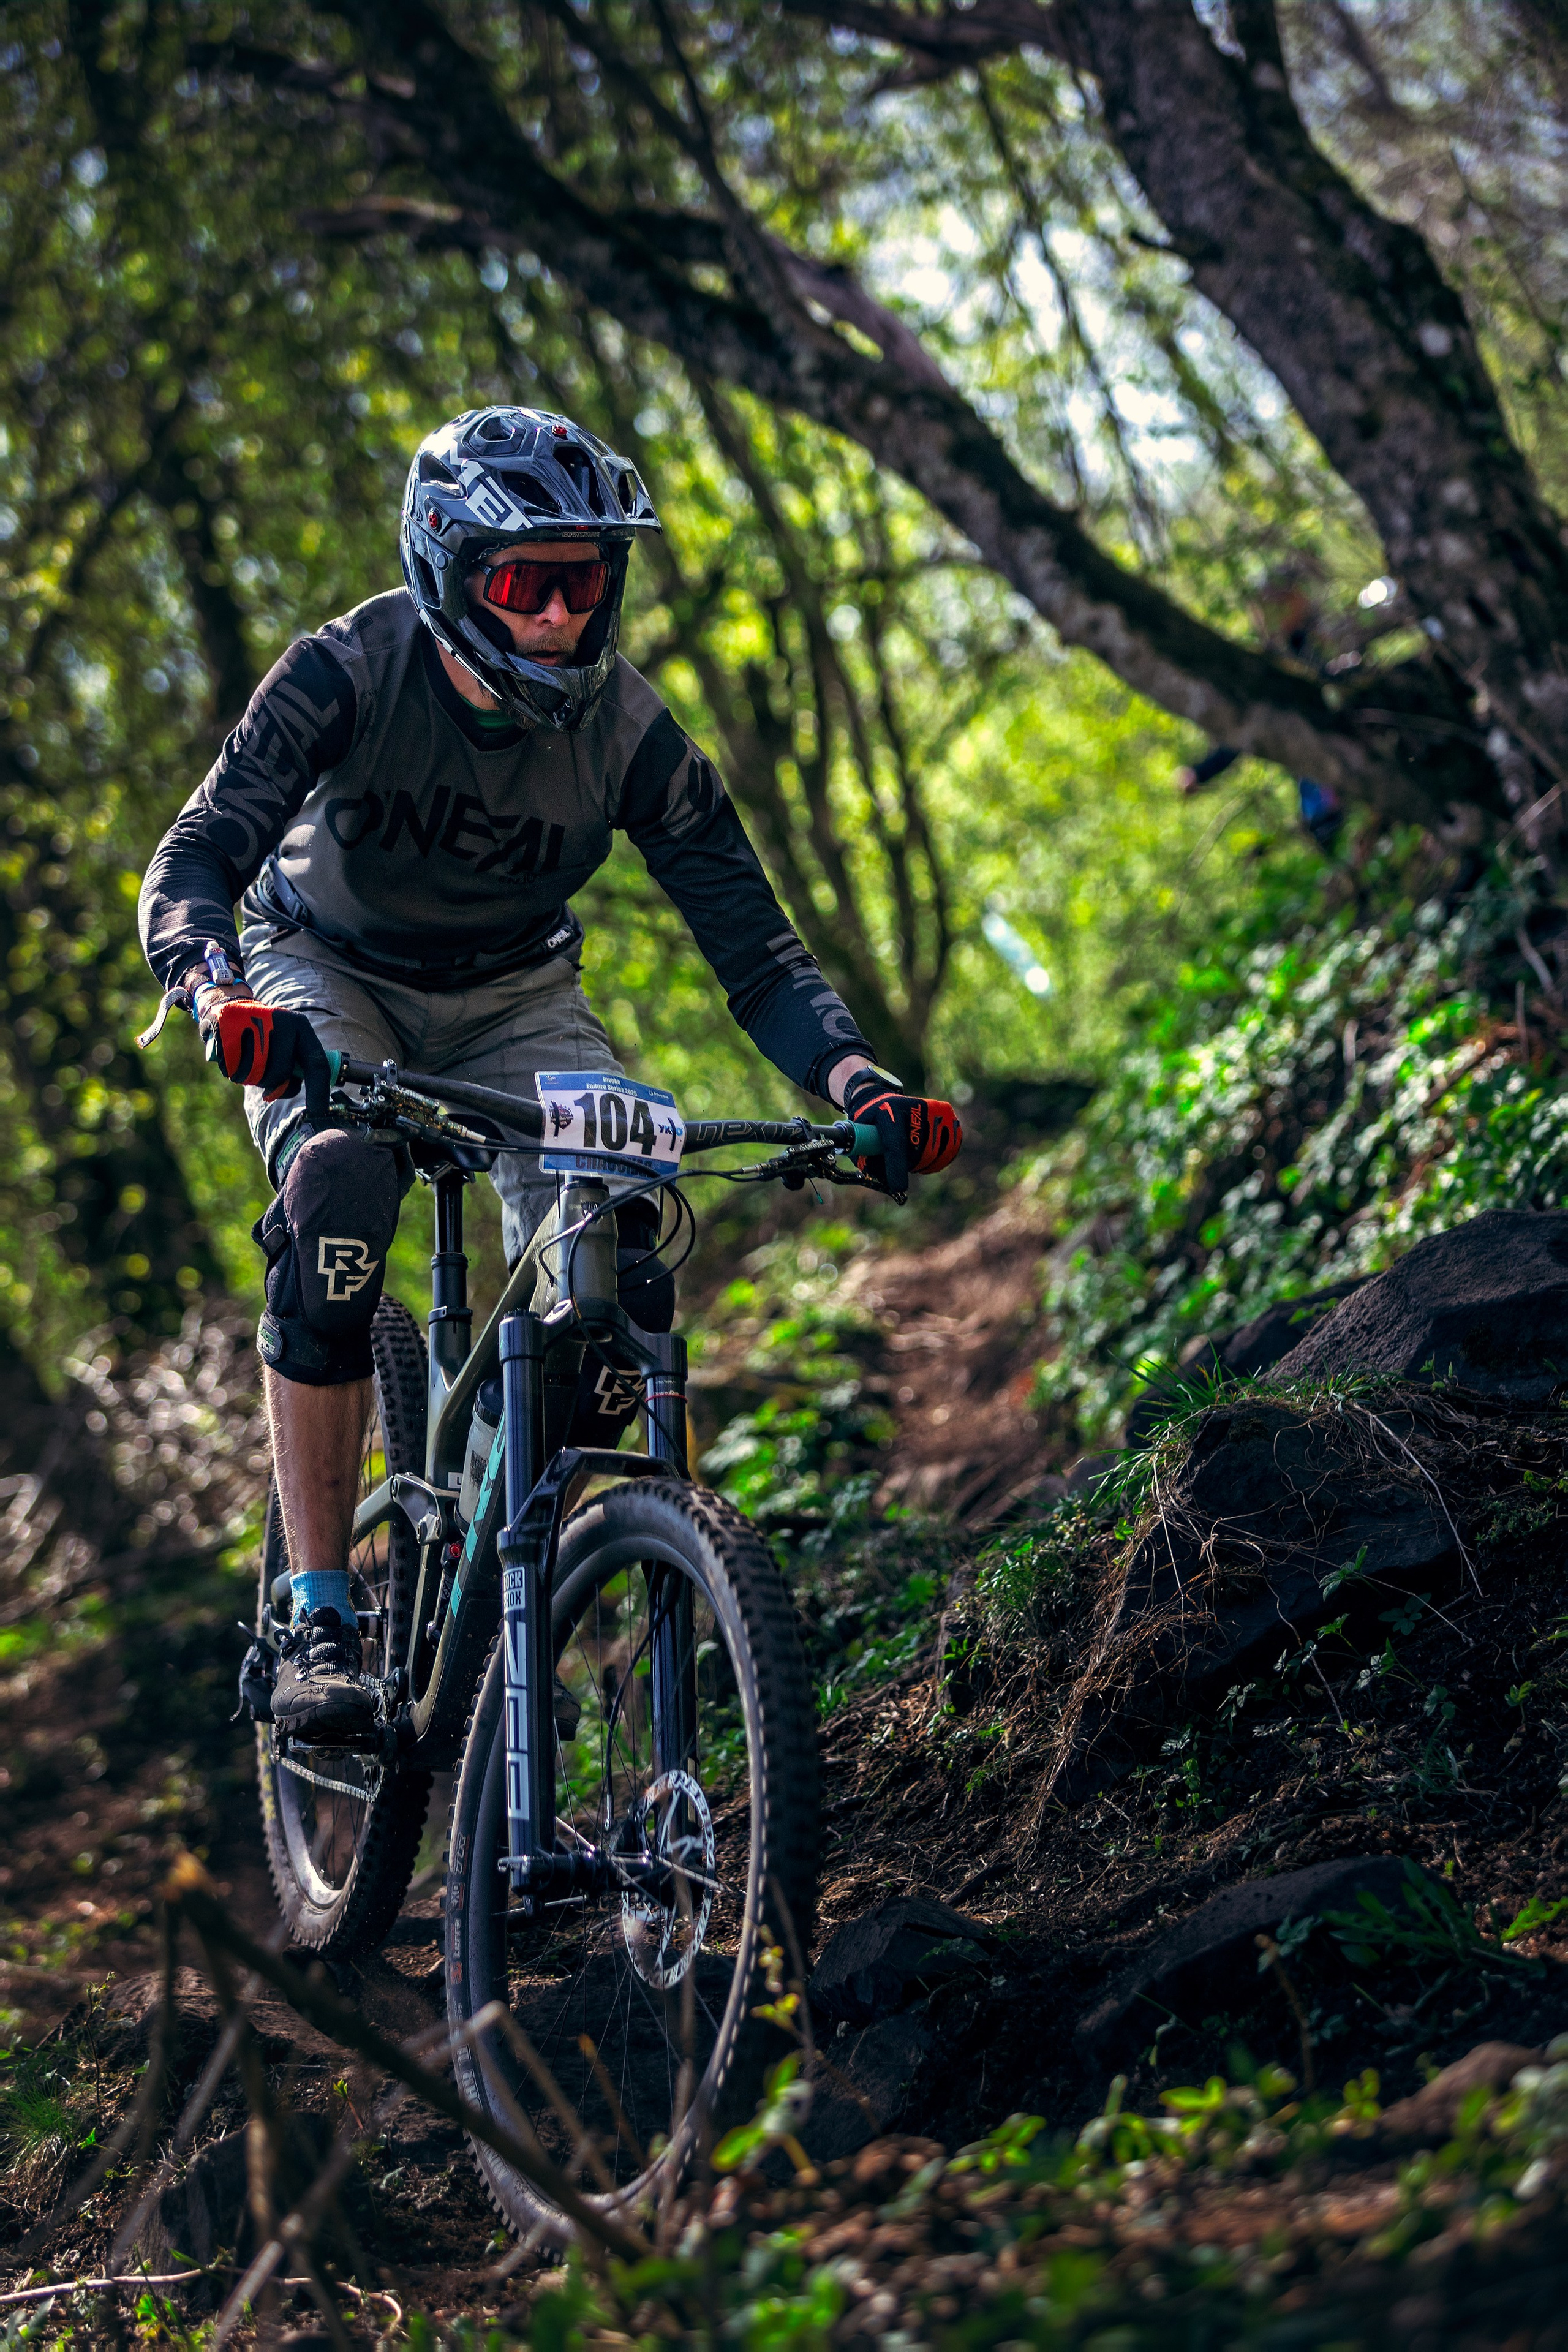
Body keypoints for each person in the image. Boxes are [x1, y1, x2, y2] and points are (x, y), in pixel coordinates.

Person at [139, 405, 962, 1744]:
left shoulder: (633, 733)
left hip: (519, 997)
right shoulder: (342, 671)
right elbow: (192, 859)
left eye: (587, 584)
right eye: (527, 585)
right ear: (450, 572)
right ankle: (318, 1612)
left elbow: (754, 950)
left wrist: (860, 1086)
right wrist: (212, 988)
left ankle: (527, 1583)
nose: (561, 622)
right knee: (341, 1188)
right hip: (320, 974)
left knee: (617, 1237)